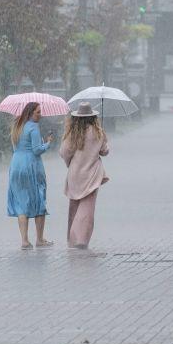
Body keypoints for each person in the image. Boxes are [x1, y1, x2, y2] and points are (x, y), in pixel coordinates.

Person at [59, 102, 109, 250]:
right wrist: (103, 140)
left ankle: (72, 239)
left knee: (74, 206)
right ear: (93, 117)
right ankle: (81, 238)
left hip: (75, 174)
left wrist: (70, 162)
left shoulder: (73, 133)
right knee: (87, 207)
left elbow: (64, 152)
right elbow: (105, 151)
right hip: (92, 174)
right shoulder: (98, 132)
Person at [7, 102, 54, 250]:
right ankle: (40, 239)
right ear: (30, 113)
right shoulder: (33, 127)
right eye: (38, 112)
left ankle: (24, 241)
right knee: (38, 199)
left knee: (22, 202)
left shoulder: (17, 127)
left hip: (16, 165)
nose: (40, 115)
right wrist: (47, 143)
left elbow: (16, 147)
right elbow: (36, 150)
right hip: (30, 166)